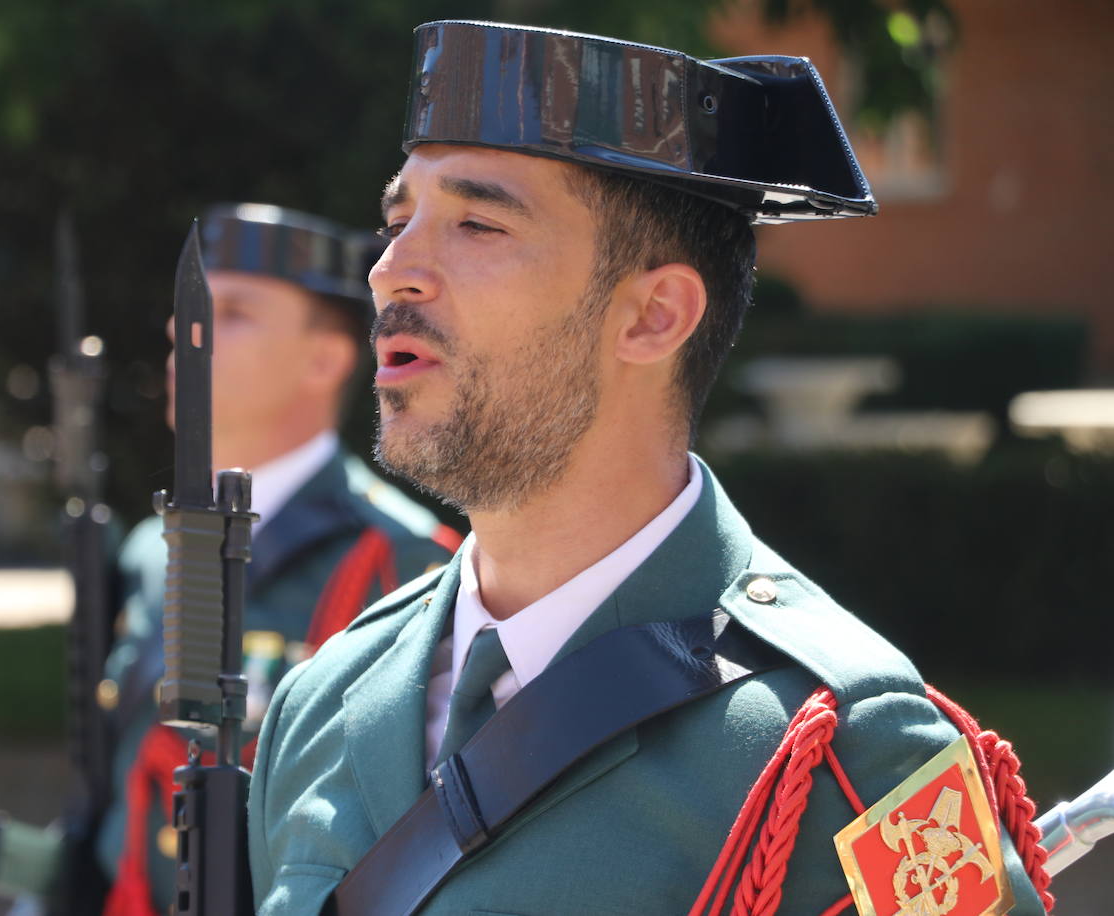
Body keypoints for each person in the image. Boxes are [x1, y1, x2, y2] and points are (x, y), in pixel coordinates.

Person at [247, 22, 1049, 916]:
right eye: (399, 222)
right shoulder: (322, 702)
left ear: (654, 316)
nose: (392, 271)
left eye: (476, 222)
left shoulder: (846, 751)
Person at [94, 203, 460, 916]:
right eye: (189, 314)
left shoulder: (403, 563)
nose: (184, 332)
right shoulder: (150, 548)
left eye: (233, 313)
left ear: (325, 359)